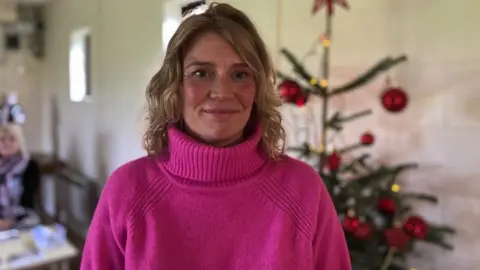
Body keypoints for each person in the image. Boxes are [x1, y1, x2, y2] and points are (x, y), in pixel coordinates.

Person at [81, 3, 350, 270]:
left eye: (240, 74)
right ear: (175, 87)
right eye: (201, 73)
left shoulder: (303, 191)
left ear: (257, 89)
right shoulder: (127, 192)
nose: (222, 91)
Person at [0, 124, 40, 231]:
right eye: (2, 140)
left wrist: (9, 222)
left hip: (21, 217)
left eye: (12, 139)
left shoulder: (29, 166)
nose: (6, 143)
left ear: (19, 143)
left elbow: (28, 201)